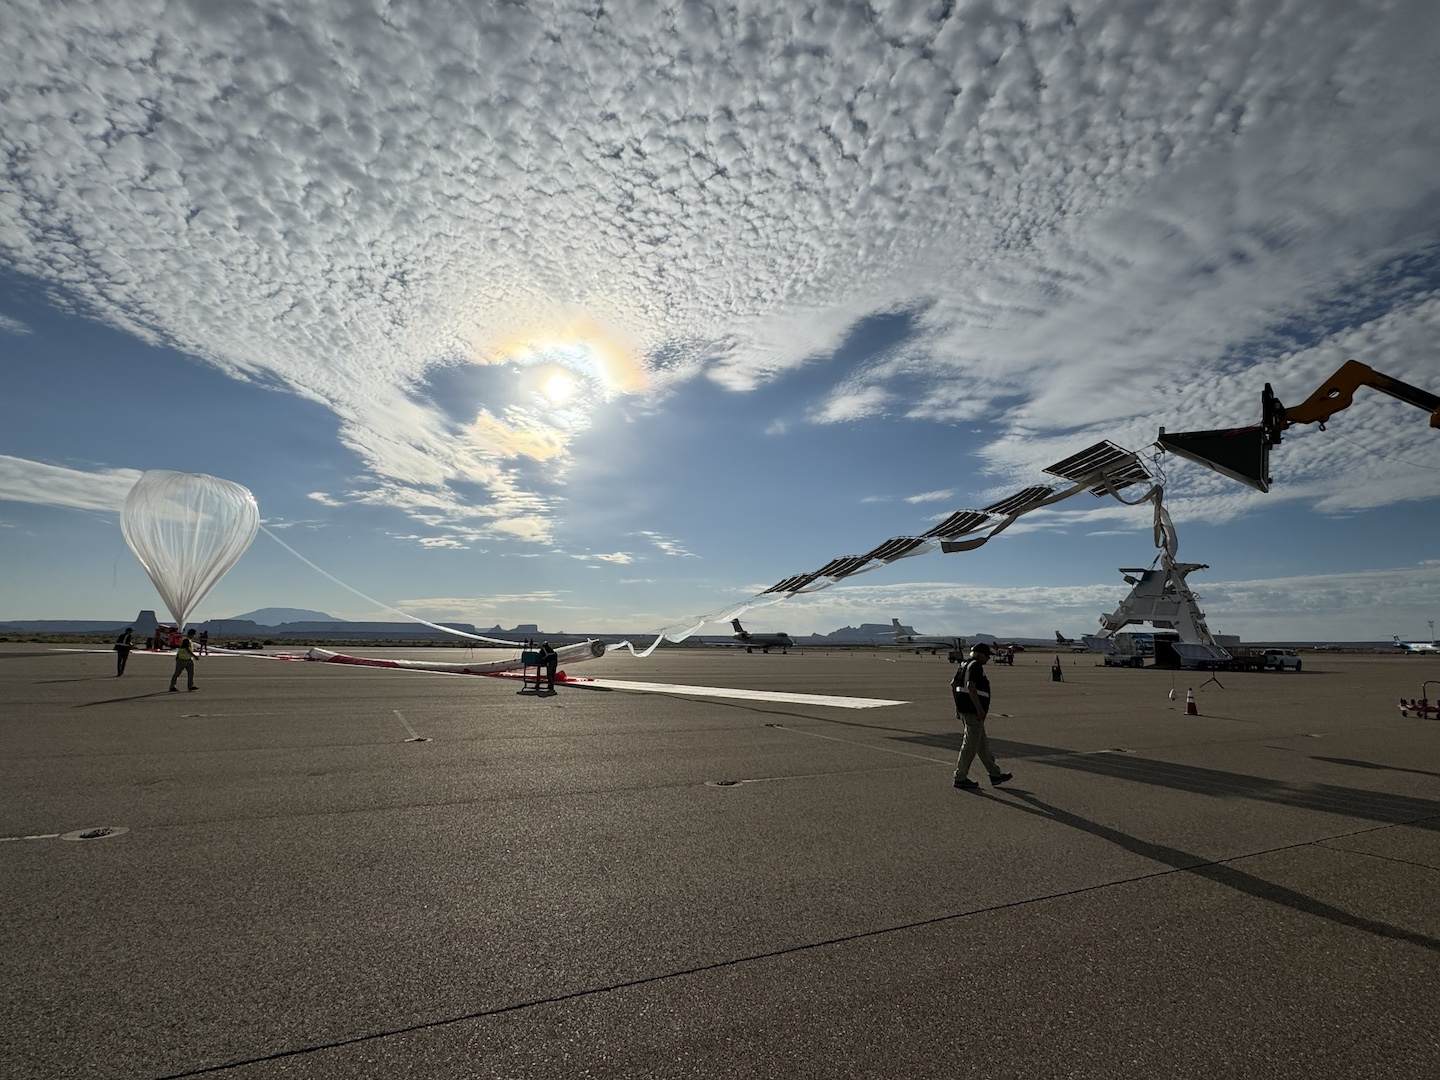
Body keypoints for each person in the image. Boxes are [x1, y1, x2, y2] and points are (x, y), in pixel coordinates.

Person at [951, 642, 1012, 790]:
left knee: (981, 744)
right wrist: (979, 708)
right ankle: (960, 777)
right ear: (979, 654)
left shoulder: (963, 664)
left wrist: (958, 707)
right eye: (986, 656)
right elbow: (971, 686)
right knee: (970, 745)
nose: (988, 659)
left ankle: (995, 774)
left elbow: (953, 684)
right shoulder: (975, 666)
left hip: (966, 709)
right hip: (973, 711)